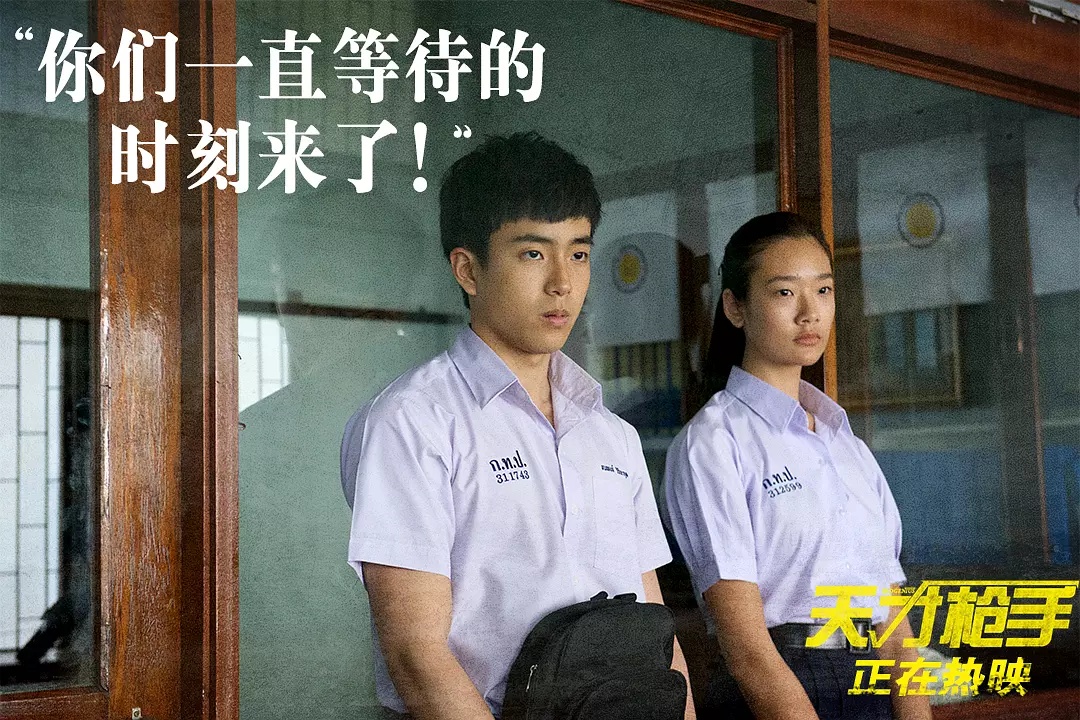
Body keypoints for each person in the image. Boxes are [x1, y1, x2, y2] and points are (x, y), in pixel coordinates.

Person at [341, 132, 695, 720]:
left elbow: (655, 633)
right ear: (468, 270)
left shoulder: (612, 435)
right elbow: (416, 656)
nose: (563, 282)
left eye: (578, 253)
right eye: (533, 253)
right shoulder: (413, 422)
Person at [663, 212, 930, 720]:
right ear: (735, 307)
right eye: (785, 292)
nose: (810, 313)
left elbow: (895, 630)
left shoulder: (847, 445)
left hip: (870, 679)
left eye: (823, 291)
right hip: (782, 683)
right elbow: (747, 650)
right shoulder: (713, 443)